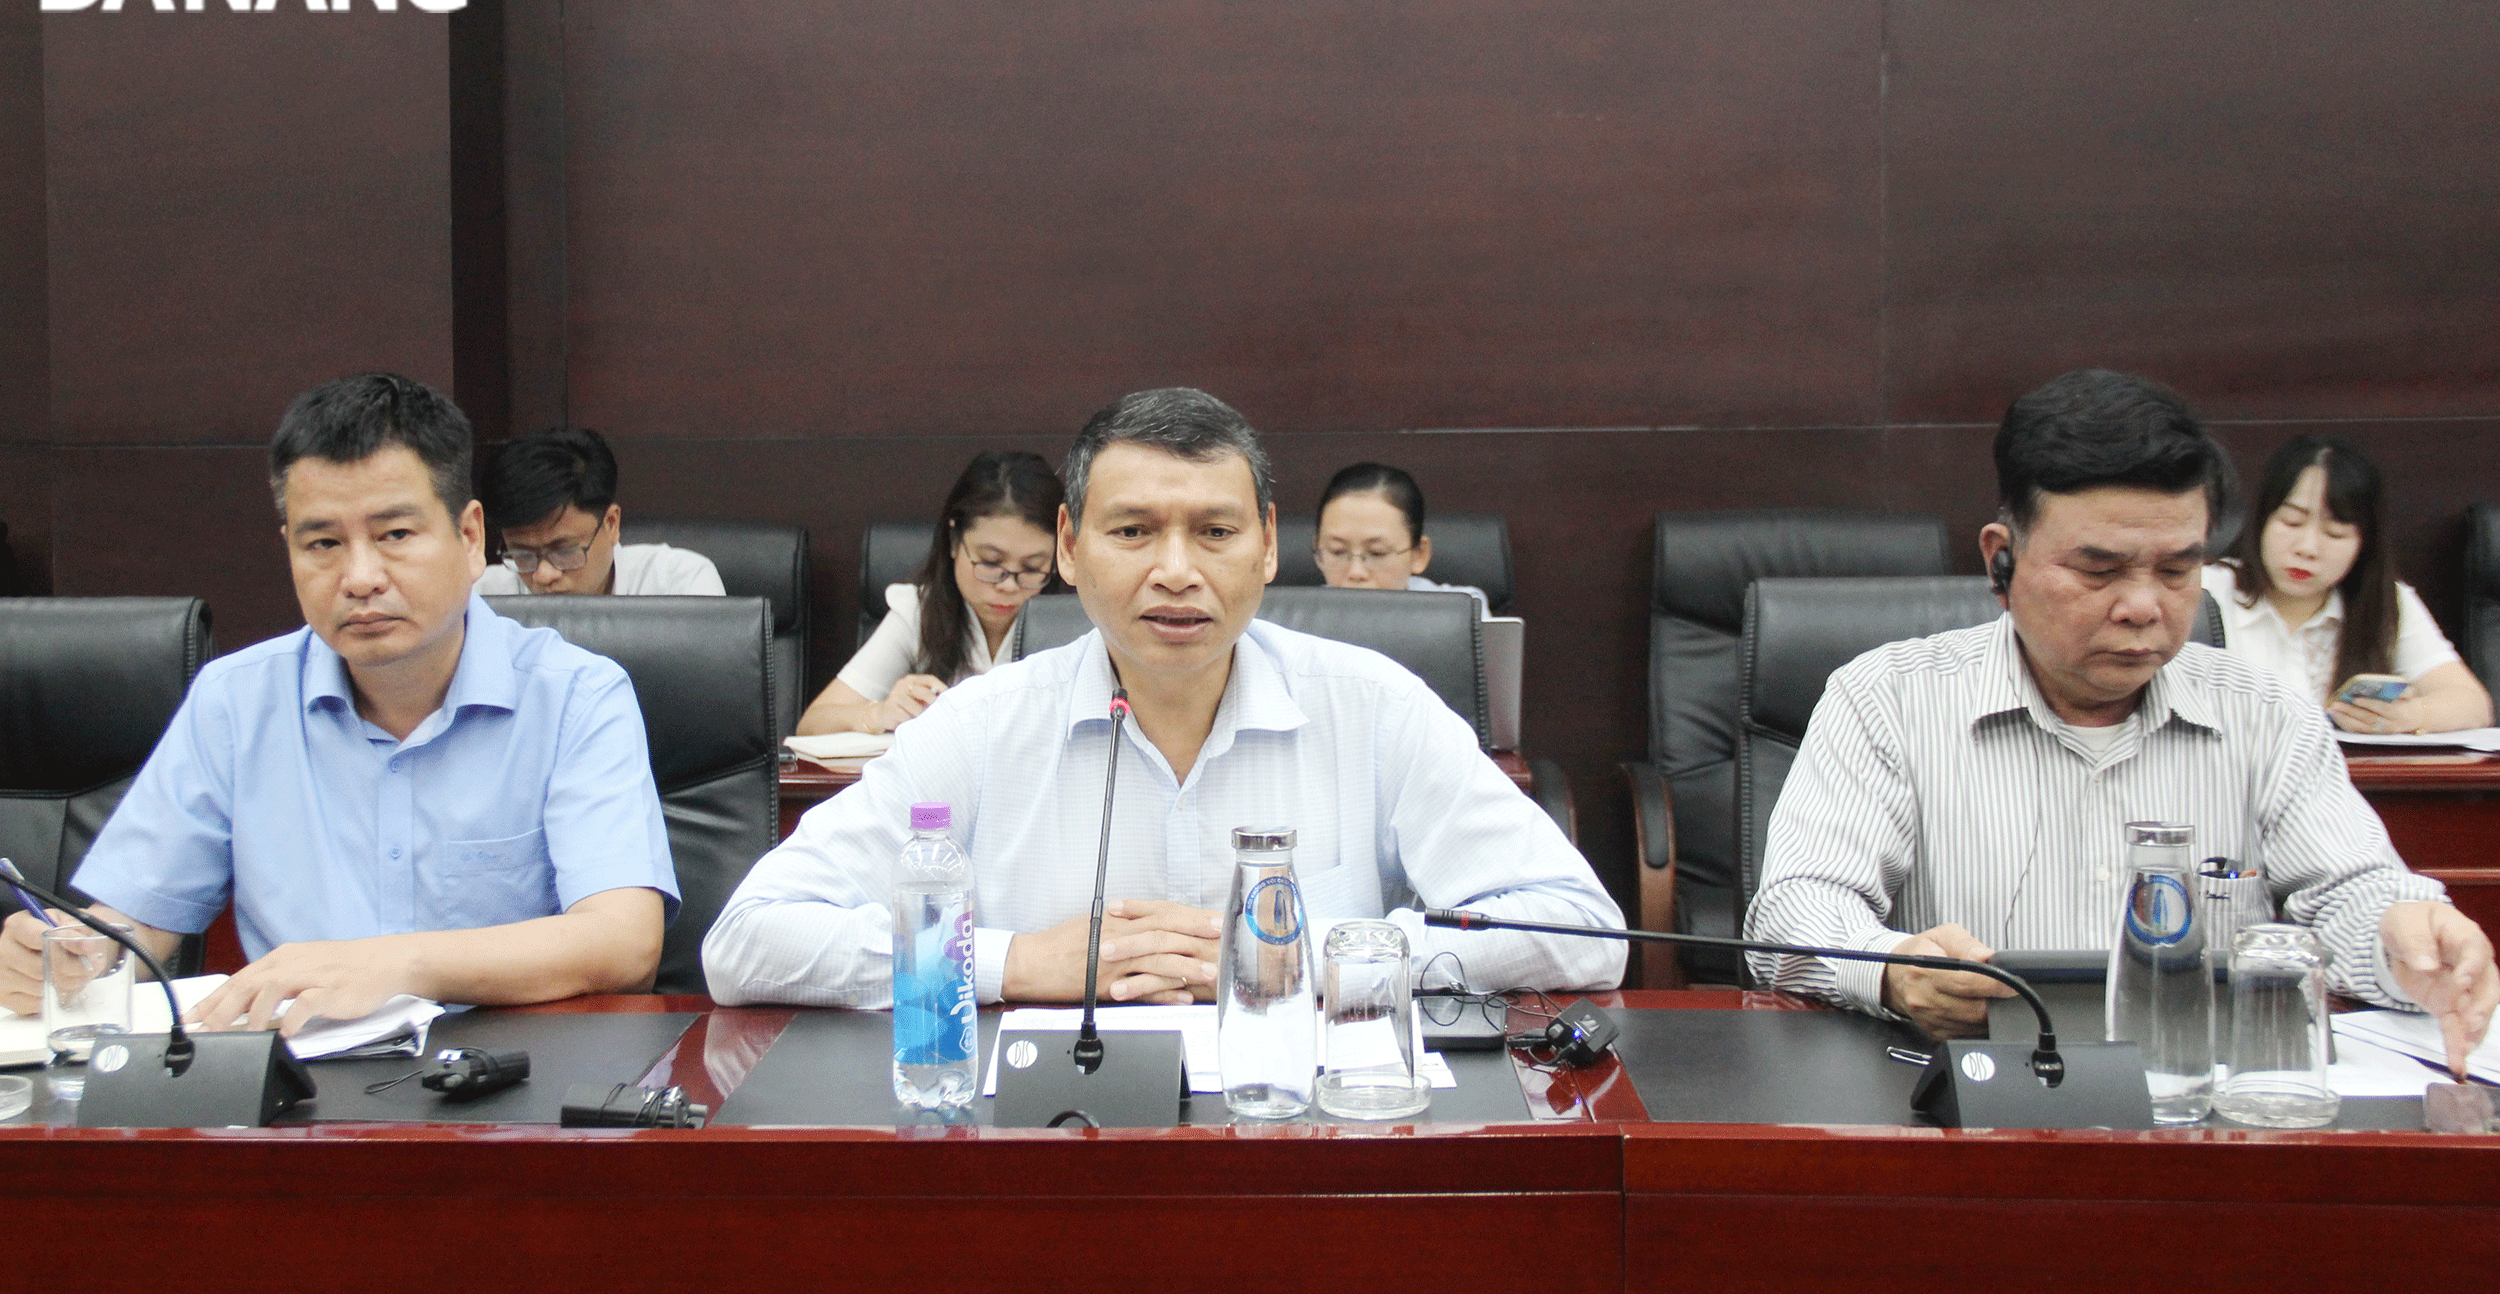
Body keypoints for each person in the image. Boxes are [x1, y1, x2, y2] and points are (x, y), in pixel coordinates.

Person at [705, 388, 1620, 1007]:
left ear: (1266, 545)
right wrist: (1011, 961)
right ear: (1069, 546)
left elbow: (1585, 932)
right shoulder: (981, 726)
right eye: (1133, 530)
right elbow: (746, 940)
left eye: (1214, 531)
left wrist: (1330, 957)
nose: (1175, 572)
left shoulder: (1373, 707)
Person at [1745, 370, 2496, 1077]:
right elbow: (1796, 909)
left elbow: (2354, 892)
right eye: (2100, 570)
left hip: (2212, 1116)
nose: (2144, 605)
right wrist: (1894, 966)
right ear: (2002, 561)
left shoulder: (2265, 714)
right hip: (1973, 1109)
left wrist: (2408, 938)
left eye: (2176, 570)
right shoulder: (1888, 698)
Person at [0, 374, 679, 1033]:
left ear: (470, 538)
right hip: (297, 1096)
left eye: (395, 535)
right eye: (323, 543)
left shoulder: (576, 695)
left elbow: (623, 942)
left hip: (507, 1091)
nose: (359, 577)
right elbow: (136, 921)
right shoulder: (236, 701)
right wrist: (75, 955)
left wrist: (397, 964)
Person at [2204, 434, 2493, 735]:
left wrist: (2412, 716)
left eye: (2335, 533)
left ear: (2363, 544)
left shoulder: (2386, 602)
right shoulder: (2206, 591)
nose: (2307, 548)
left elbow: (2473, 704)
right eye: (2291, 522)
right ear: (2260, 520)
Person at [794, 451, 1065, 736]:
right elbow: (813, 725)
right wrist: (878, 713)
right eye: (990, 562)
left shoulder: (1078, 623)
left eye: (1033, 568)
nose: (1008, 585)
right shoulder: (919, 612)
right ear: (954, 542)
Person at [475, 427, 725, 598]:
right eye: (522, 554)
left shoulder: (679, 586)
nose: (543, 575)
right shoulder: (477, 598)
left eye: (563, 551)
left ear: (611, 524)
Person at [1311, 462, 1491, 618]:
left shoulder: (1462, 612)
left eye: (1377, 553)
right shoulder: (1299, 620)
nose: (1356, 573)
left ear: (1419, 554)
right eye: (1337, 551)